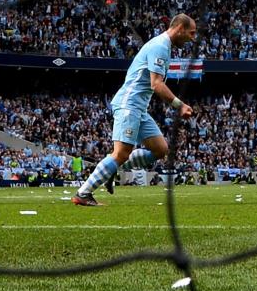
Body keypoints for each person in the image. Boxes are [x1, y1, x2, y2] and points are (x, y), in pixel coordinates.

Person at [72, 14, 197, 207]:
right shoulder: (160, 46)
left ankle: (112, 169)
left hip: (139, 107)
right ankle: (83, 193)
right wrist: (179, 105)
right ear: (180, 28)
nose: (192, 37)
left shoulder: (165, 46)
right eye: (191, 33)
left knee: (160, 149)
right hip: (129, 103)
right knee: (121, 153)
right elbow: (156, 84)